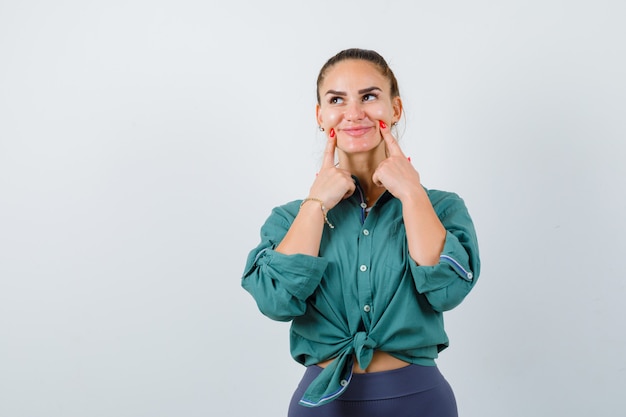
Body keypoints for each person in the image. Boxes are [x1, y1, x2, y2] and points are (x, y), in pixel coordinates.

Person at [241, 48, 480, 417]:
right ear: (322, 116)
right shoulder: (289, 218)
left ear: (395, 109)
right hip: (322, 405)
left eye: (369, 96)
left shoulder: (441, 208)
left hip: (418, 400)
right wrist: (316, 203)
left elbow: (447, 290)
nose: (354, 113)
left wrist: (412, 194)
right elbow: (276, 302)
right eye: (337, 100)